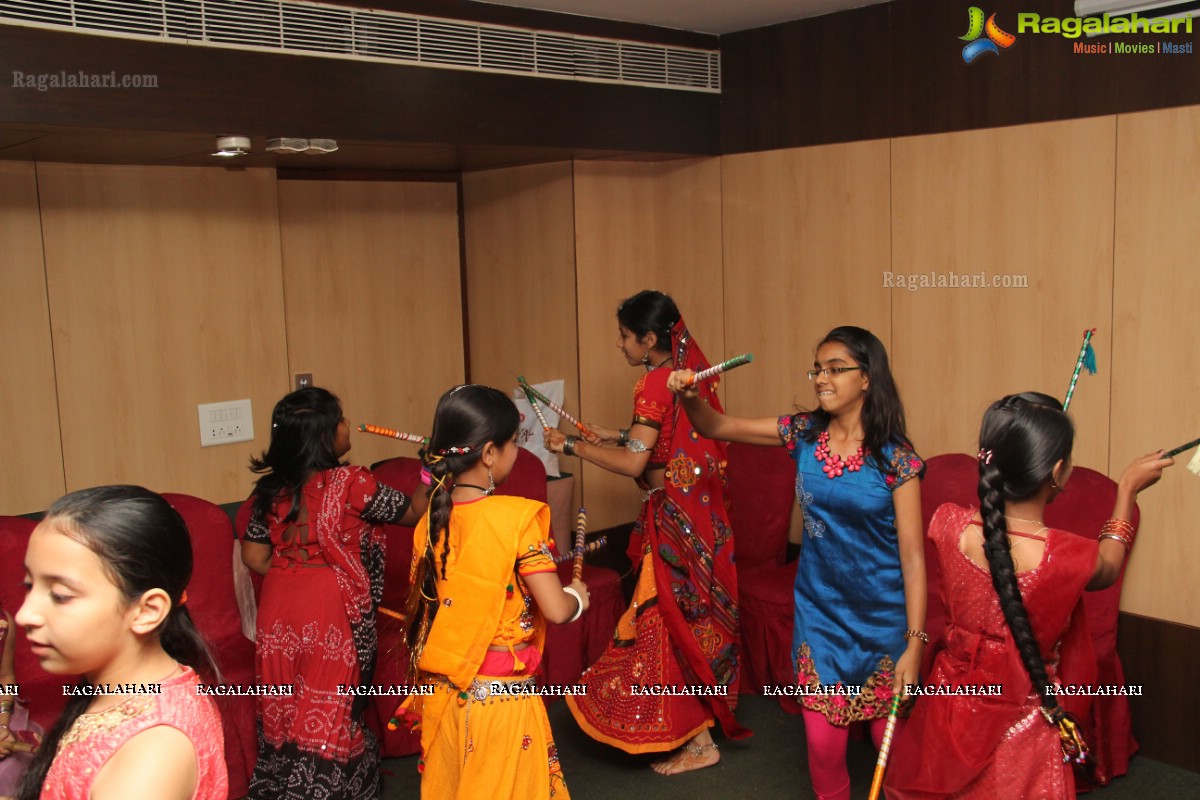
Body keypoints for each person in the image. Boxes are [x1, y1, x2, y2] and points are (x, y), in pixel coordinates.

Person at [668, 324, 926, 799]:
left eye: (835, 369)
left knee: (889, 750)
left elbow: (913, 557)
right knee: (822, 743)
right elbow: (716, 426)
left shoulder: (897, 461)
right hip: (821, 616)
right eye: (817, 369)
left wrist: (914, 643)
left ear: (867, 378)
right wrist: (688, 396)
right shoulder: (804, 434)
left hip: (884, 623)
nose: (821, 379)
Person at [884, 392, 1172, 799]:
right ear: (1057, 470)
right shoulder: (1066, 556)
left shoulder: (946, 523)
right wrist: (1127, 489)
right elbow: (1108, 566)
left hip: (951, 700)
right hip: (1022, 719)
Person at [546, 290, 747, 776]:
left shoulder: (653, 382)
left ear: (649, 338)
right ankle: (696, 724)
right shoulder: (682, 377)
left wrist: (572, 445)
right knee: (679, 620)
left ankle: (698, 742)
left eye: (624, 336)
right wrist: (610, 433)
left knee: (667, 621)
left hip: (674, 520)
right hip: (700, 519)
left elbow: (637, 460)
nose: (620, 345)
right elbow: (660, 438)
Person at [395, 384, 588, 799]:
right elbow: (555, 610)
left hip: (446, 698)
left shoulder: (428, 524)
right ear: (487, 454)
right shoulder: (515, 518)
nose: (517, 453)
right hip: (501, 704)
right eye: (513, 443)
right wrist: (577, 597)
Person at [241, 386, 427, 799]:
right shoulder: (353, 482)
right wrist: (429, 473)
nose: (347, 426)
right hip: (332, 609)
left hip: (278, 608)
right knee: (334, 713)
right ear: (325, 435)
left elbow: (254, 557)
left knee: (288, 710)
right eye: (341, 419)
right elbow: (415, 512)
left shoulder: (268, 491)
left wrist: (297, 570)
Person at [15, 485, 227, 800]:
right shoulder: (121, 689)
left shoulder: (152, 753)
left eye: (60, 595)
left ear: (146, 611)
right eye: (30, 586)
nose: (25, 615)